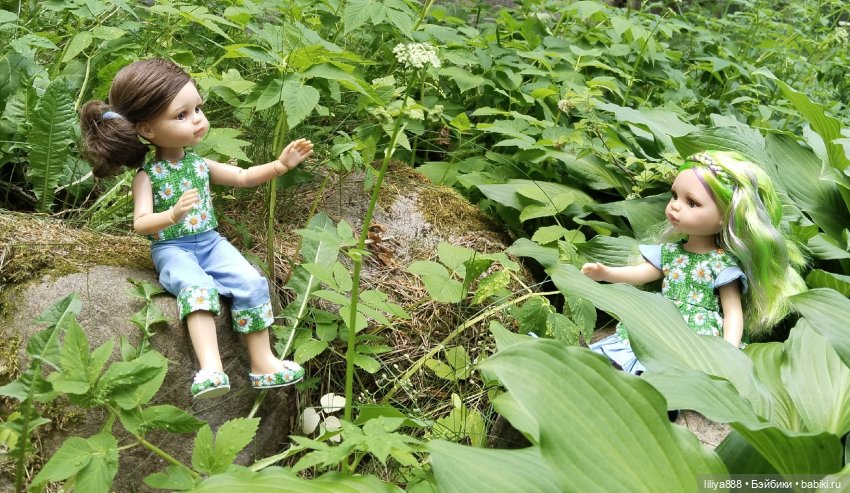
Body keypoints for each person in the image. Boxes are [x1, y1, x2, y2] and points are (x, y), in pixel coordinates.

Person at [79, 58, 313, 398]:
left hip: (209, 241)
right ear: (147, 129)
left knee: (250, 280)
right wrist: (172, 214)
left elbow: (243, 177)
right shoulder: (148, 176)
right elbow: (141, 224)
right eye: (181, 115)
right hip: (171, 247)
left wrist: (279, 165)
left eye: (198, 109)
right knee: (196, 288)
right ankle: (211, 369)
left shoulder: (199, 164)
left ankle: (263, 363)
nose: (198, 121)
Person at [581, 151, 805, 374]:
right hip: (663, 323)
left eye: (692, 203)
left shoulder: (721, 264)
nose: (675, 206)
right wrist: (607, 273)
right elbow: (641, 273)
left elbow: (733, 313)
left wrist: (729, 351)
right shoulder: (671, 252)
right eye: (675, 196)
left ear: (725, 217)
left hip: (696, 337)